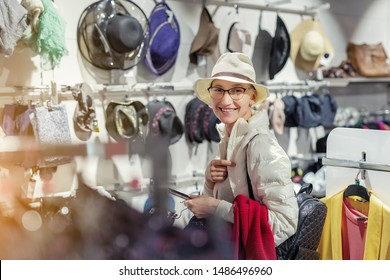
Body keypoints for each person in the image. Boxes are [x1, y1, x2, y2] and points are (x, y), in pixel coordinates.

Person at [184, 52, 299, 252]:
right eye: (218, 89)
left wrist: (215, 207)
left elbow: (284, 224)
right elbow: (225, 212)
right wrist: (210, 183)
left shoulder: (262, 147)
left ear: (252, 96)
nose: (226, 100)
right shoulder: (230, 139)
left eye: (236, 90)